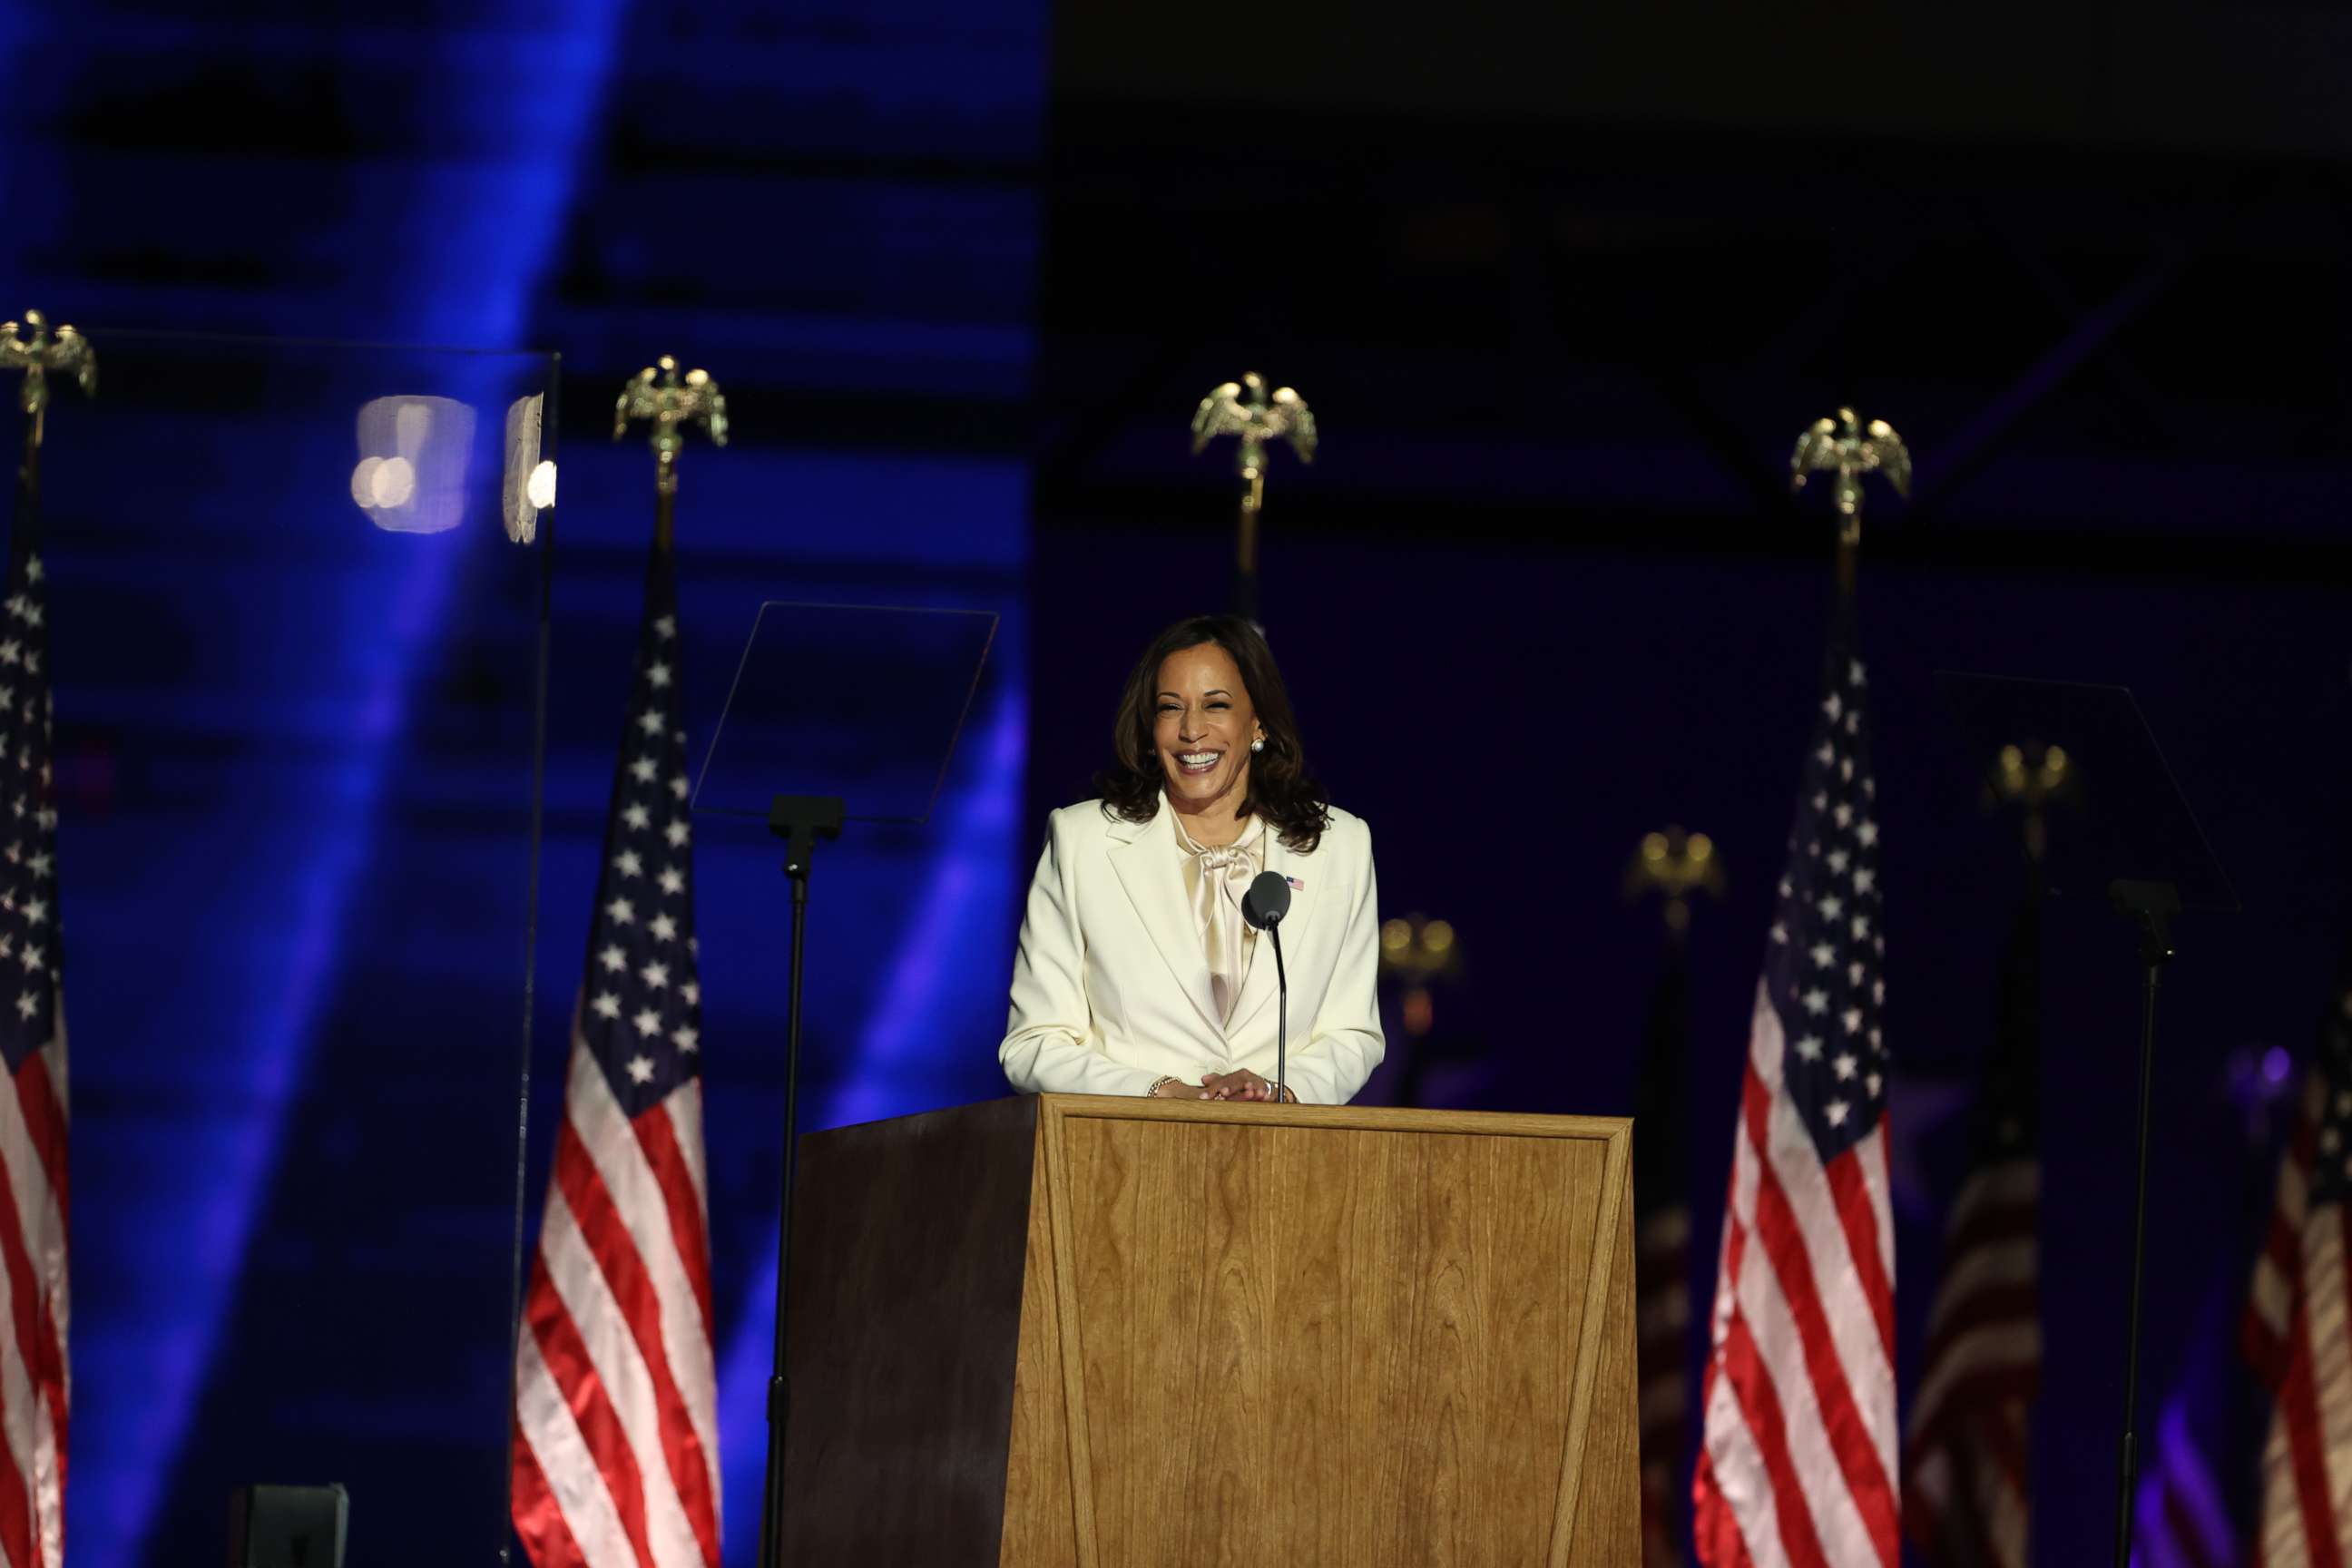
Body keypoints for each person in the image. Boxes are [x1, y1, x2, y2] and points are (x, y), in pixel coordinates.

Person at [999, 614, 1385, 1103]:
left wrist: (1278, 1092)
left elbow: (1353, 1035)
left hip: (1282, 1160)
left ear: (1258, 722)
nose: (1192, 731)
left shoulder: (1340, 847)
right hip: (1121, 1159)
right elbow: (1033, 1045)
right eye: (1170, 708)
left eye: (1216, 705)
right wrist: (1158, 1092)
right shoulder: (1083, 842)